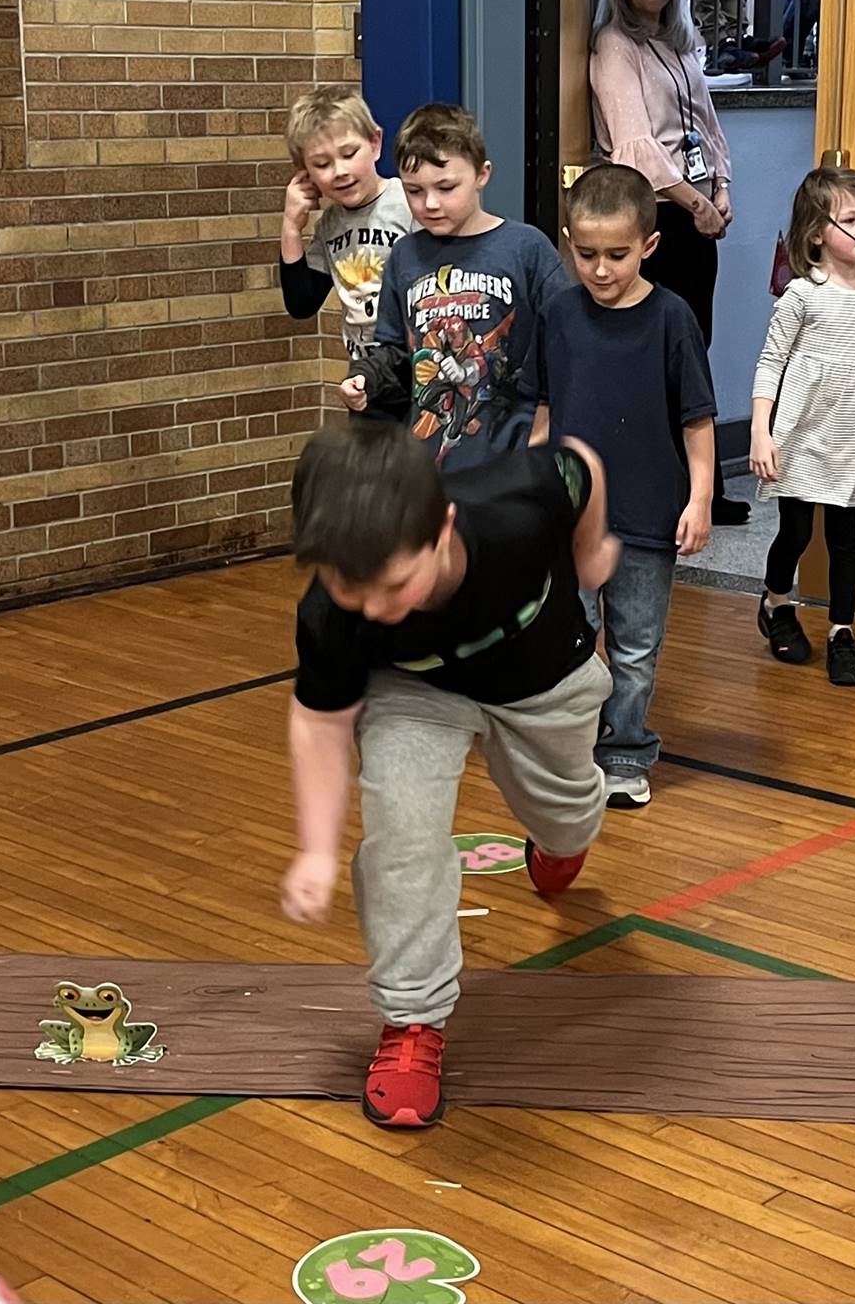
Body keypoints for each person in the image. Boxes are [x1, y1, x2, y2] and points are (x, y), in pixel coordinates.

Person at [283, 419, 618, 1129]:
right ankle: (411, 1022)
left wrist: (588, 556)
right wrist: (315, 850)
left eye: (395, 585)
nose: (374, 609)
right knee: (401, 833)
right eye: (353, 591)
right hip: (417, 694)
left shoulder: (517, 504)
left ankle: (559, 842)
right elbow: (319, 722)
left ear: (442, 531)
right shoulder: (331, 617)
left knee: (568, 816)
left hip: (546, 680)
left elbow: (580, 461)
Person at [523, 163, 715, 809]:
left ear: (648, 247)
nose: (600, 270)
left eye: (616, 255)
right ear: (566, 243)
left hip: (645, 517)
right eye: (585, 255)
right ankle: (572, 754)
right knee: (571, 642)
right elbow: (544, 410)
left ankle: (626, 754)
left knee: (633, 649)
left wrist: (698, 499)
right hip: (570, 520)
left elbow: (696, 420)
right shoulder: (557, 313)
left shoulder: (671, 319)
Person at [590, 0, 749, 525]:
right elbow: (634, 143)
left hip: (697, 216)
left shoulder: (679, 41)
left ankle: (696, 488)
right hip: (659, 214)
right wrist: (695, 202)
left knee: (693, 350)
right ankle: (661, 492)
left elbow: (705, 123)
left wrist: (724, 188)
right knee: (659, 357)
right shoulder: (614, 46)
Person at [749, 167, 855, 688]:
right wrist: (760, 430)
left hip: (854, 434)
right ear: (817, 232)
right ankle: (776, 603)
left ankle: (843, 632)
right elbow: (771, 363)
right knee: (795, 532)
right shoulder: (801, 295)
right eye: (852, 219)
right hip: (802, 431)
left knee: (845, 538)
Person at [344, 104, 566, 463]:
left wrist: (542, 433)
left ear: (482, 175)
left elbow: (564, 346)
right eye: (414, 191)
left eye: (446, 187)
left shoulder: (527, 249)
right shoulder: (404, 256)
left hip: (509, 459)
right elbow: (395, 353)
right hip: (427, 468)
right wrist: (365, 379)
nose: (430, 203)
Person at [278, 84, 415, 370]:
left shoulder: (410, 202)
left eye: (349, 153)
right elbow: (301, 304)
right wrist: (291, 226)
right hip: (365, 375)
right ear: (306, 173)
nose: (340, 171)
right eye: (322, 164)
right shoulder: (330, 225)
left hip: (417, 371)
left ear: (375, 144)